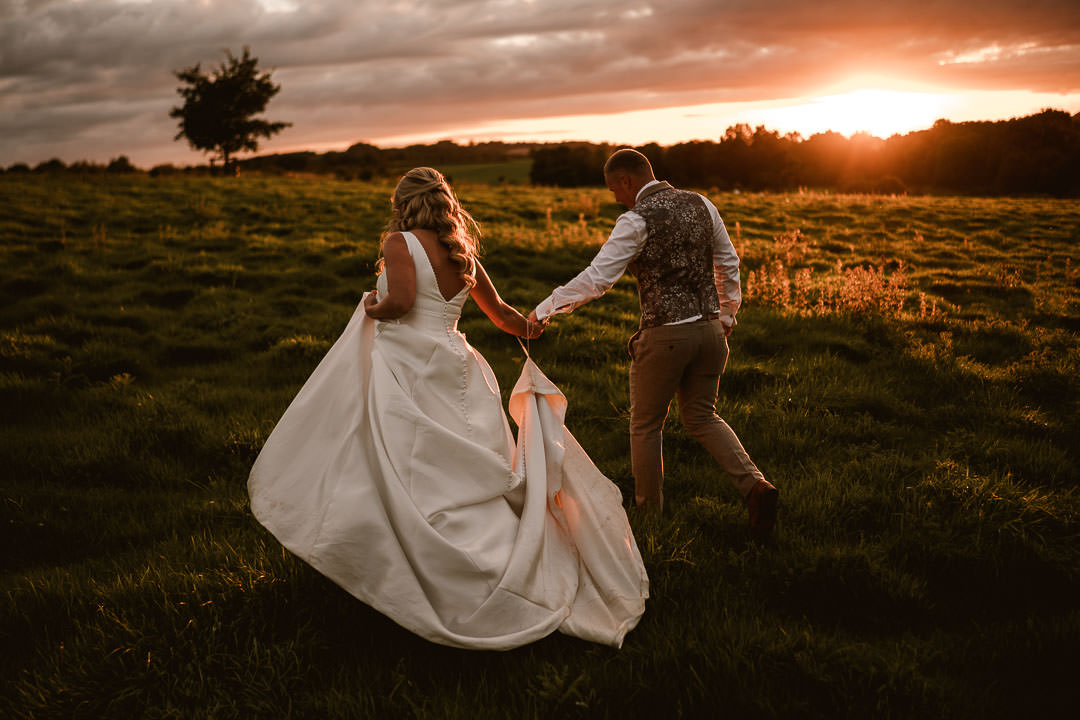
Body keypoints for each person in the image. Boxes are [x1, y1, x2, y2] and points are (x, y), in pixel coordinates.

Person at [248, 167, 648, 650]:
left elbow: (401, 303)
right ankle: (488, 554)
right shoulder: (462, 252)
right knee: (465, 470)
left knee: (402, 462)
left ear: (404, 204)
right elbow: (502, 315)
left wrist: (372, 306)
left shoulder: (400, 243)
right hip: (458, 367)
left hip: (408, 366)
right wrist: (532, 325)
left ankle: (408, 557)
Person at [529, 149, 778, 539]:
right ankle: (755, 486)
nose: (615, 197)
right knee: (701, 416)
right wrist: (726, 317)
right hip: (711, 332)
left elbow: (598, 279)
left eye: (615, 189)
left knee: (645, 425)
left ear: (627, 181)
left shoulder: (635, 220)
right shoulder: (702, 203)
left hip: (665, 336)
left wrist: (544, 309)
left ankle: (649, 519)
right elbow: (728, 263)